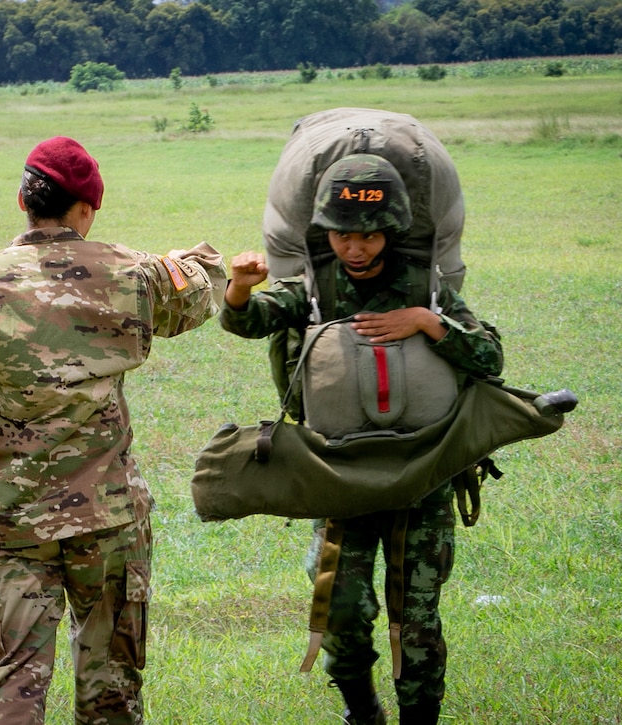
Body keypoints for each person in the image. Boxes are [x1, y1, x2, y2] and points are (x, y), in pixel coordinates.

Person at [0, 136, 226, 724]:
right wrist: (197, 260)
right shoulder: (129, 272)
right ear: (87, 208)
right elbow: (200, 294)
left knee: (11, 686)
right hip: (107, 519)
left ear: (23, 200)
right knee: (111, 694)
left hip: (11, 522)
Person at [219, 155, 503, 725]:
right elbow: (251, 322)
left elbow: (489, 355)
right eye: (343, 234)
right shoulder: (316, 285)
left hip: (420, 474)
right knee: (341, 611)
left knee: (417, 620)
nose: (356, 248)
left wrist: (427, 321)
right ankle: (362, 710)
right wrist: (240, 290)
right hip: (338, 475)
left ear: (390, 231)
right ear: (325, 233)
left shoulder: (426, 286)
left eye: (370, 235)